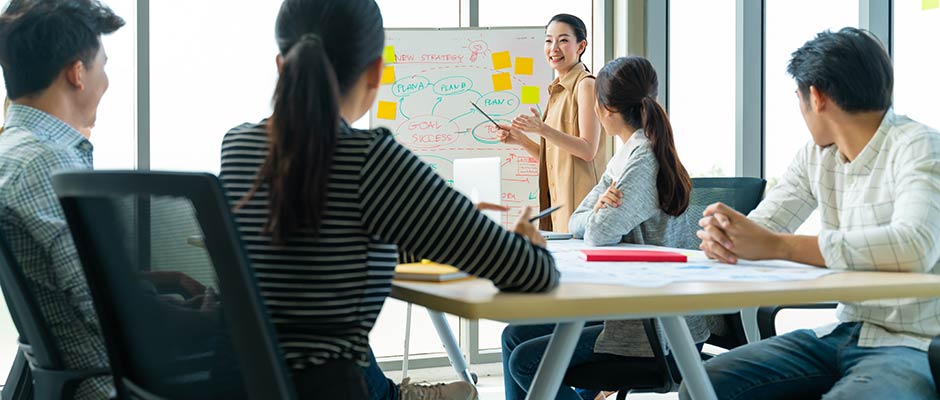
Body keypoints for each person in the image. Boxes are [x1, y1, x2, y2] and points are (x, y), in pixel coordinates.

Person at [217, 0, 560, 398]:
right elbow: (531, 273)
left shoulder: (238, 144)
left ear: (281, 65)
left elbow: (317, 249)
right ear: (375, 72)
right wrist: (521, 242)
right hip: (331, 387)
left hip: (237, 381)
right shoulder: (370, 157)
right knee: (466, 392)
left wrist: (441, 232)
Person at [687, 27, 940, 400]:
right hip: (843, 330)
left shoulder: (919, 146)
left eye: (798, 99)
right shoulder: (817, 154)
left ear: (816, 97)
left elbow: (914, 247)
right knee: (701, 385)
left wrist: (780, 246)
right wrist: (724, 235)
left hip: (912, 341)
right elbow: (763, 227)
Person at [502, 56, 709, 400]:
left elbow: (597, 233)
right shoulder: (625, 156)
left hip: (655, 330)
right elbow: (577, 219)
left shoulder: (643, 161)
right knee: (514, 336)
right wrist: (595, 212)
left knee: (526, 360)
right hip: (631, 311)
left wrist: (595, 215)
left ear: (605, 110)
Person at [0, 1, 124, 398]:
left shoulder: (12, 151)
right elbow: (110, 313)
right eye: (103, 66)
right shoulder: (47, 162)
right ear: (77, 74)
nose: (107, 81)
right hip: (112, 384)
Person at [497, 13, 610, 233]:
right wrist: (522, 141)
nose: (554, 48)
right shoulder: (556, 90)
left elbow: (588, 150)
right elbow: (556, 159)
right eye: (549, 40)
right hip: (559, 210)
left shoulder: (586, 85)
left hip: (583, 210)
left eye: (564, 40)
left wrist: (542, 129)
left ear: (581, 46)